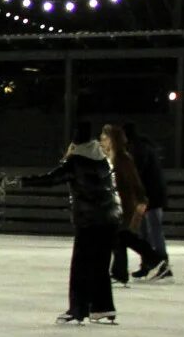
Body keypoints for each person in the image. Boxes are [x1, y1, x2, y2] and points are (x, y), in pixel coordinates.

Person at [17, 123, 121, 324]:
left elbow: (51, 178)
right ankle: (103, 307)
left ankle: (77, 309)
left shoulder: (76, 161)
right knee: (100, 265)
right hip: (110, 219)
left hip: (89, 221)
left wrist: (22, 182)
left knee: (80, 266)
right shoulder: (102, 159)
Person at [101, 124, 159, 285]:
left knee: (121, 237)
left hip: (127, 205)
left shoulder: (122, 159)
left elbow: (134, 182)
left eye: (105, 138)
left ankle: (154, 260)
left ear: (113, 141)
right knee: (122, 237)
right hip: (117, 205)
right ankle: (123, 272)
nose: (101, 142)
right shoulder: (111, 158)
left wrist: (141, 201)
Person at [125, 122, 173, 281]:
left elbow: (137, 172)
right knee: (144, 232)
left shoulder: (139, 149)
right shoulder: (140, 147)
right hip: (146, 196)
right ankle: (147, 265)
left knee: (154, 231)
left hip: (151, 196)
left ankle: (163, 265)